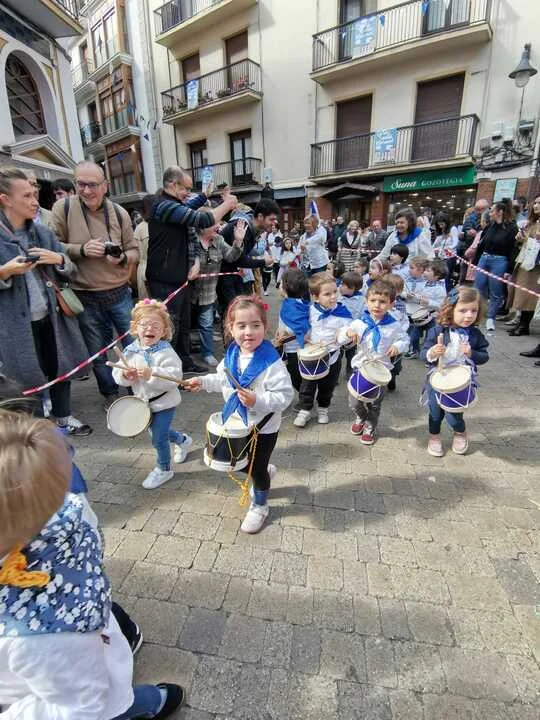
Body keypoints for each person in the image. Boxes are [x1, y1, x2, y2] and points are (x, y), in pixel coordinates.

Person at [0, 413, 184, 719]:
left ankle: (136, 701)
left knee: (111, 695)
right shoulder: (41, 637)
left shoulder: (41, 635)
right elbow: (80, 707)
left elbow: (79, 706)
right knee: (110, 696)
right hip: (70, 673)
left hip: (72, 670)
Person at [185, 296, 294, 534]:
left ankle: (260, 506)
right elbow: (222, 379)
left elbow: (285, 396)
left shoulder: (272, 363)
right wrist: (202, 382)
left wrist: (258, 400)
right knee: (237, 463)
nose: (248, 332)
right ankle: (264, 470)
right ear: (230, 328)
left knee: (256, 469)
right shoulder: (232, 353)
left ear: (265, 327)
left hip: (263, 428)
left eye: (255, 325)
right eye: (241, 326)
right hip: (237, 424)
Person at [0, 166, 92, 436]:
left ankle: (63, 418)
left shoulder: (42, 232)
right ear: (5, 199)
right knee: (26, 378)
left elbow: (70, 268)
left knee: (59, 368)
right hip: (14, 328)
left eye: (35, 194)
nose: (34, 201)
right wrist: (5, 272)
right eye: (26, 196)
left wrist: (59, 259)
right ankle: (37, 429)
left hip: (52, 317)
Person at [51, 161, 139, 409]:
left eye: (92, 185)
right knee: (97, 351)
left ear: (105, 186)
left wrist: (122, 257)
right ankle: (110, 394)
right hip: (84, 295)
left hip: (119, 293)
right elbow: (51, 246)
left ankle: (137, 390)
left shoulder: (119, 213)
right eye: (81, 184)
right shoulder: (63, 208)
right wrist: (81, 250)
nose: (86, 190)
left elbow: (135, 251)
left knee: (134, 347)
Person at [146, 167, 238, 374]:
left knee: (184, 324)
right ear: (173, 184)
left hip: (180, 277)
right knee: (169, 327)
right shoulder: (163, 206)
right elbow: (203, 220)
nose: (188, 193)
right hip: (164, 279)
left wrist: (205, 195)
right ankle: (169, 372)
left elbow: (189, 206)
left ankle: (184, 362)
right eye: (186, 188)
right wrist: (227, 204)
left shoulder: (173, 204)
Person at [111, 300, 191, 490]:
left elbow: (175, 378)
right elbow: (117, 373)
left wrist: (152, 374)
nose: (150, 329)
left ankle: (164, 468)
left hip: (164, 404)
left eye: (156, 326)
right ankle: (183, 440)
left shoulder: (166, 352)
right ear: (134, 328)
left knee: (158, 438)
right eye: (145, 324)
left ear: (164, 331)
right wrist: (125, 375)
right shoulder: (130, 351)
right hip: (142, 404)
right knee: (159, 433)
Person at [338, 279, 409, 445]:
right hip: (361, 368)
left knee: (375, 403)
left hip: (381, 371)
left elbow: (404, 340)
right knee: (354, 401)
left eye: (382, 302)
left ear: (391, 304)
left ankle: (370, 426)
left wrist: (398, 346)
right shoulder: (359, 323)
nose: (377, 305)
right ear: (366, 301)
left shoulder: (394, 325)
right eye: (373, 300)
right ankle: (361, 416)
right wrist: (348, 333)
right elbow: (341, 337)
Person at [421, 286, 489, 457]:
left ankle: (460, 432)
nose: (469, 315)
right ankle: (434, 436)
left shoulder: (475, 335)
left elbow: (484, 356)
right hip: (437, 378)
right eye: (463, 310)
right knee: (435, 412)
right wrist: (432, 353)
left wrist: (472, 354)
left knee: (454, 414)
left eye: (473, 310)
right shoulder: (437, 330)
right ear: (450, 310)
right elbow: (424, 354)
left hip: (460, 381)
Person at [294, 272, 352, 427]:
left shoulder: (343, 313)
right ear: (315, 297)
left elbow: (346, 332)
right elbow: (301, 327)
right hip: (312, 356)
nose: (333, 297)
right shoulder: (309, 311)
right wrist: (303, 335)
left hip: (332, 357)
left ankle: (323, 409)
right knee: (307, 385)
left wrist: (345, 335)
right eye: (327, 294)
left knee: (328, 386)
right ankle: (305, 409)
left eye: (335, 292)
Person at [191, 221, 247, 365]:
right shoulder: (191, 240)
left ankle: (207, 353)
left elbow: (231, 256)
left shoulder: (219, 240)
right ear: (202, 227)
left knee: (207, 324)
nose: (218, 226)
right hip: (188, 293)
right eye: (213, 223)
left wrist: (238, 241)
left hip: (209, 293)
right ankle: (185, 355)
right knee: (186, 325)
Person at [218, 199, 278, 308]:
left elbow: (242, 257)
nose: (275, 223)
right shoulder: (242, 227)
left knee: (240, 308)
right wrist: (264, 262)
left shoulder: (252, 229)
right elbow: (240, 260)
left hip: (233, 272)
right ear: (260, 216)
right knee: (233, 310)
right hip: (223, 274)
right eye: (271, 219)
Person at [474, 198, 518, 332]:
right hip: (484, 258)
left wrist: (509, 269)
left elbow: (513, 250)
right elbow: (481, 245)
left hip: (500, 261)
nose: (490, 213)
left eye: (492, 210)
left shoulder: (512, 228)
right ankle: (476, 315)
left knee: (496, 291)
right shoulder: (490, 226)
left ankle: (490, 318)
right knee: (478, 287)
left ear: (500, 212)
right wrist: (476, 262)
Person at [507, 196, 540, 337]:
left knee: (529, 295)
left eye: (539, 203)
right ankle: (521, 323)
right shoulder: (530, 223)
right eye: (535, 202)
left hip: (535, 266)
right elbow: (522, 241)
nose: (536, 205)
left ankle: (524, 325)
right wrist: (520, 238)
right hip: (524, 261)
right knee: (520, 293)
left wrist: (528, 239)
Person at [276, 268, 311, 392]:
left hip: (294, 350)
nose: (279, 285)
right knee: (297, 375)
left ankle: (305, 396)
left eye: (281, 283)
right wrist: (279, 330)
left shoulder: (292, 306)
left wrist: (285, 332)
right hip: (293, 348)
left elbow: (298, 327)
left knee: (295, 377)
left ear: (288, 287)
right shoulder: (296, 302)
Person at [406, 259, 448, 359]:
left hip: (433, 317)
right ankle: (415, 350)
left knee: (430, 337)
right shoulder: (424, 283)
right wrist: (415, 295)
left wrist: (428, 302)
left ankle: (429, 355)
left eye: (428, 271)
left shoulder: (440, 289)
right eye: (425, 270)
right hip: (420, 314)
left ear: (437, 276)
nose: (424, 272)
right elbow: (420, 295)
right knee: (414, 335)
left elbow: (441, 305)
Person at [339, 271, 365, 374]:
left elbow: (364, 316)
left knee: (351, 354)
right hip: (341, 332)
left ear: (352, 287)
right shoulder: (339, 297)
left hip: (353, 333)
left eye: (343, 285)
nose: (340, 286)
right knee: (338, 354)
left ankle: (349, 370)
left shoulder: (362, 300)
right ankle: (336, 373)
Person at [387, 273, 409, 392]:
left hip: (396, 339)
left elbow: (404, 322)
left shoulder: (400, 305)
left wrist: (400, 333)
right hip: (384, 339)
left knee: (395, 361)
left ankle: (393, 376)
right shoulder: (381, 302)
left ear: (399, 291)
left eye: (395, 290)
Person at [433, 211, 459, 290]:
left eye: (442, 224)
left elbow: (455, 242)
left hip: (450, 257)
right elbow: (435, 244)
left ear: (446, 222)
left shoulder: (453, 229)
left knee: (446, 278)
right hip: (442, 258)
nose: (440, 226)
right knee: (442, 277)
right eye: (439, 225)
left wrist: (449, 248)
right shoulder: (442, 230)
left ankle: (448, 293)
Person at [132, 195, 151, 301]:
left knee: (146, 305)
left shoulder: (139, 228)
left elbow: (135, 253)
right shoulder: (160, 226)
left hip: (143, 268)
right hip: (159, 269)